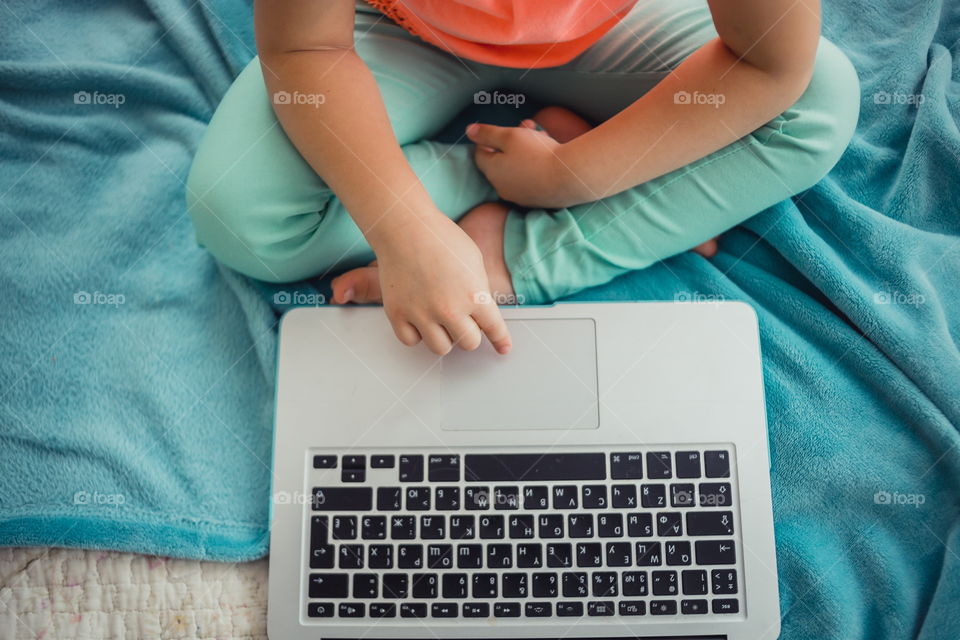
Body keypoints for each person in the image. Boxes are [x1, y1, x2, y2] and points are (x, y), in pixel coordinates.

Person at [187, 0, 859, 356]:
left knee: (817, 101)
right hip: (389, 31)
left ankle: (510, 254)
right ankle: (496, 176)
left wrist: (574, 175)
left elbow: (772, 65)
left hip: (610, 32)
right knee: (241, 215)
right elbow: (305, 46)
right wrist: (408, 231)